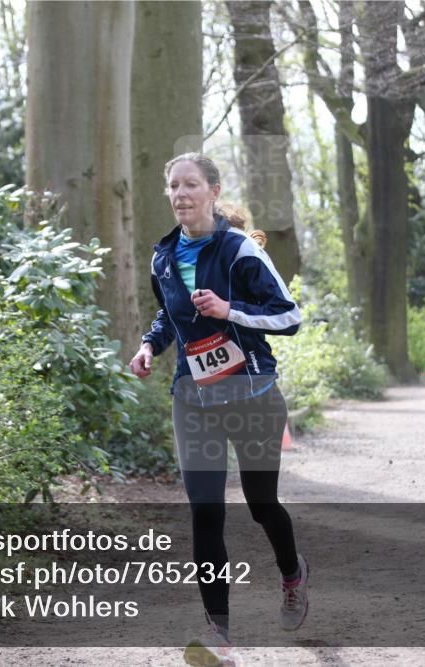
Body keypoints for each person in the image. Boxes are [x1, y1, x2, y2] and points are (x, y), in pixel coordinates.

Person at [129, 153, 307, 667]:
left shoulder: (239, 251)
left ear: (212, 190)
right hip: (195, 398)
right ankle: (220, 634)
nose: (181, 194)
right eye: (173, 186)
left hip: (251, 393)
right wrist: (149, 346)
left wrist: (231, 312)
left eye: (190, 185)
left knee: (260, 505)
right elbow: (169, 312)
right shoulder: (163, 255)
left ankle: (293, 575)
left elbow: (290, 316)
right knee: (205, 512)